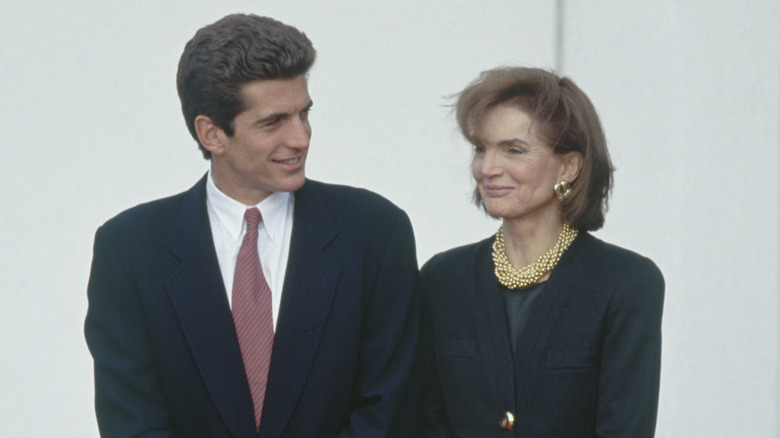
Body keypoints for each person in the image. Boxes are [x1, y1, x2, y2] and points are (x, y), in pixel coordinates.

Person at [84, 14, 419, 438]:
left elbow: (389, 413)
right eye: (273, 122)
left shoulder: (376, 232)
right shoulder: (129, 248)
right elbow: (132, 422)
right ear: (212, 134)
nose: (300, 138)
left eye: (304, 114)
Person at [418, 67, 664, 437]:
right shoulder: (442, 278)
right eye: (480, 149)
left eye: (513, 150)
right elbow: (425, 420)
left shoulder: (625, 283)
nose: (487, 168)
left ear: (568, 165)